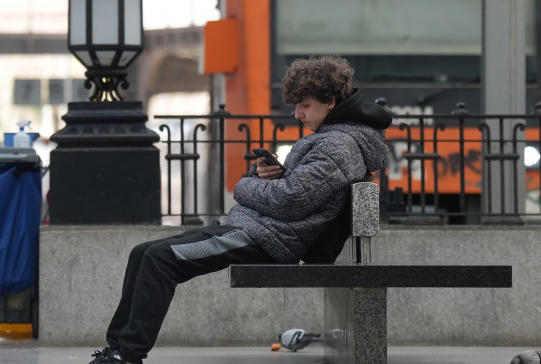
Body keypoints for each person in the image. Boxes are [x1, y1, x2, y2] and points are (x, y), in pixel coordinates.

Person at [89, 55, 392, 364]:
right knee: (142, 252)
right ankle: (116, 350)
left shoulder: (339, 146)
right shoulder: (333, 139)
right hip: (257, 228)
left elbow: (289, 200)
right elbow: (295, 192)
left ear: (329, 101)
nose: (297, 114)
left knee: (160, 259)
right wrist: (265, 175)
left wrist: (244, 185)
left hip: (270, 238)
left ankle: (127, 356)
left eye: (304, 105)